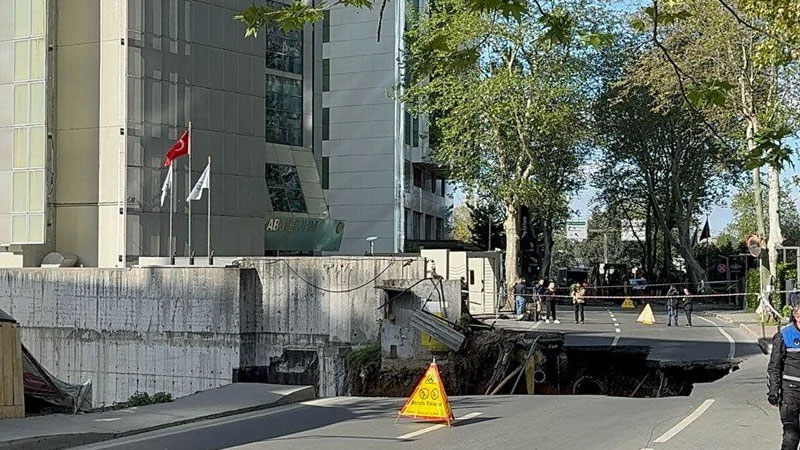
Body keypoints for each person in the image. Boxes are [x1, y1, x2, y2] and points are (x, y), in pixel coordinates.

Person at [768, 306, 800, 449]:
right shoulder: (785, 336)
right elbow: (775, 366)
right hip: (791, 392)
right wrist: (774, 390)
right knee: (791, 436)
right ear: (797, 317)